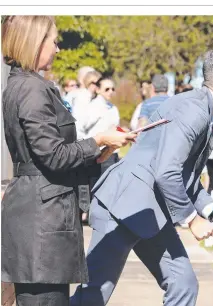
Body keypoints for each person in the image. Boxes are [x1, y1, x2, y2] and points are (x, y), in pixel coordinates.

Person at [70, 49, 213, 306]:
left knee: (183, 284)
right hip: (122, 207)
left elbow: (185, 177)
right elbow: (166, 172)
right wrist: (192, 220)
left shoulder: (202, 108)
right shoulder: (194, 110)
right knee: (92, 298)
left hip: (149, 212)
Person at [1, 16, 136, 306]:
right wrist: (98, 140)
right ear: (35, 42)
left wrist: (100, 152)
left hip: (39, 214)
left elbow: (46, 154)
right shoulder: (31, 89)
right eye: (53, 40)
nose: (58, 49)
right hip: (42, 220)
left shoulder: (24, 85)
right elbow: (52, 156)